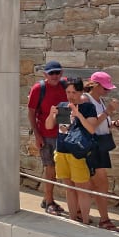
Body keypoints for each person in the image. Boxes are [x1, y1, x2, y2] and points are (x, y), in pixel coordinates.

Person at [44, 77, 97, 223]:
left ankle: (85, 221)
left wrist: (78, 114)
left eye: (74, 92)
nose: (70, 95)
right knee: (69, 188)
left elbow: (92, 129)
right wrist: (51, 114)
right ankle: (74, 219)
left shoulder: (88, 108)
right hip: (62, 151)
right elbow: (50, 126)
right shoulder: (63, 106)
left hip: (78, 153)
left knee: (82, 189)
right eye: (68, 92)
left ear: (80, 92)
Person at [82, 71, 119, 231]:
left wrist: (115, 123)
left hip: (99, 145)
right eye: (105, 88)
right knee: (99, 183)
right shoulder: (85, 100)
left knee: (97, 183)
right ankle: (103, 219)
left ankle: (93, 217)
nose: (108, 91)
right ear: (95, 85)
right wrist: (108, 112)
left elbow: (101, 124)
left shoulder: (99, 101)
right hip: (91, 146)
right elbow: (91, 125)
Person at [27, 60, 69, 215]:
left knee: (60, 169)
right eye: (51, 73)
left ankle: (47, 198)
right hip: (46, 134)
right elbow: (31, 112)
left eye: (57, 72)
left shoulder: (65, 84)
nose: (55, 76)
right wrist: (37, 135)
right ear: (45, 74)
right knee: (50, 168)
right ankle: (49, 201)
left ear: (62, 73)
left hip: (63, 134)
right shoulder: (39, 88)